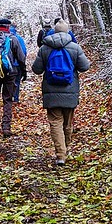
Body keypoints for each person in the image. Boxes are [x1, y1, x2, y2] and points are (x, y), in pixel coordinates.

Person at [31, 19, 90, 166]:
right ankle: (66, 149)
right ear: (67, 31)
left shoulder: (45, 48)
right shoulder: (75, 47)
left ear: (55, 31)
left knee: (55, 122)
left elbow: (36, 69)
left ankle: (60, 154)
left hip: (51, 91)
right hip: (70, 91)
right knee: (68, 123)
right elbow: (85, 67)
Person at [9, 23, 27, 103]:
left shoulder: (3, 38)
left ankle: (7, 98)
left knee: (7, 82)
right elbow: (24, 52)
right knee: (16, 81)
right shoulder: (19, 38)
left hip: (6, 65)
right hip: (17, 65)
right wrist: (22, 64)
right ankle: (15, 98)